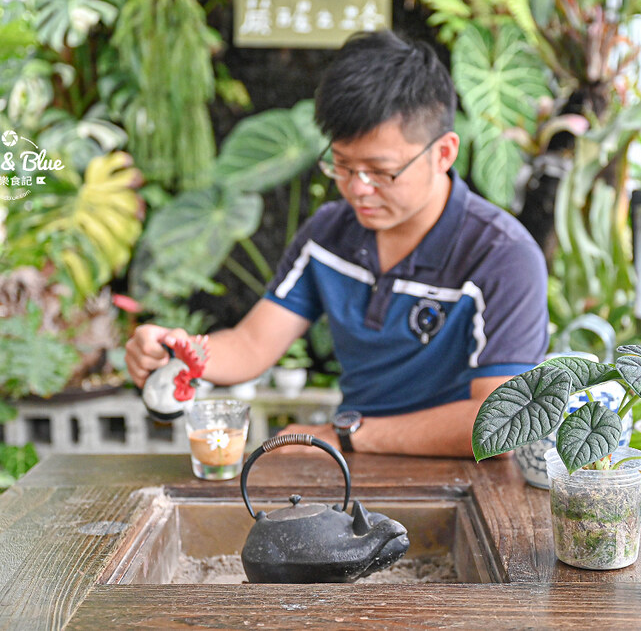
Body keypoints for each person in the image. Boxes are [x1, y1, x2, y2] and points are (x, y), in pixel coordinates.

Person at [125, 30, 548, 458]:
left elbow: (503, 425)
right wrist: (184, 353)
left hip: (467, 483)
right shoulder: (329, 234)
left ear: (443, 153)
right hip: (352, 475)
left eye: (381, 171)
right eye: (342, 167)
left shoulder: (503, 256)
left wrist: (345, 435)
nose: (358, 189)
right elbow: (252, 344)